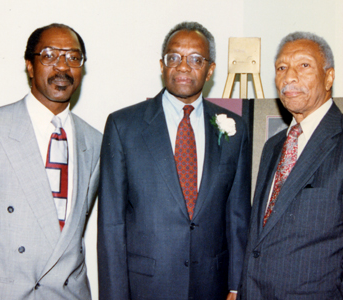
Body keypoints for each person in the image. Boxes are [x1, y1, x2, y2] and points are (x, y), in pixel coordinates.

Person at [98, 21, 251, 300]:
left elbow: (237, 215)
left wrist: (236, 285)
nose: (183, 66)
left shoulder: (235, 129)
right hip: (146, 287)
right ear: (162, 65)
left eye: (195, 59)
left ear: (210, 70)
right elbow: (111, 225)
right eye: (174, 58)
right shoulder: (123, 126)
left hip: (212, 286)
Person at [238, 32, 343, 299]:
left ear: (329, 77)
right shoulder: (273, 146)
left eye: (304, 65)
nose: (289, 76)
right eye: (281, 68)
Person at [0, 23, 101, 299]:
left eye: (73, 57)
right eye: (49, 55)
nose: (63, 67)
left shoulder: (94, 142)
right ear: (30, 66)